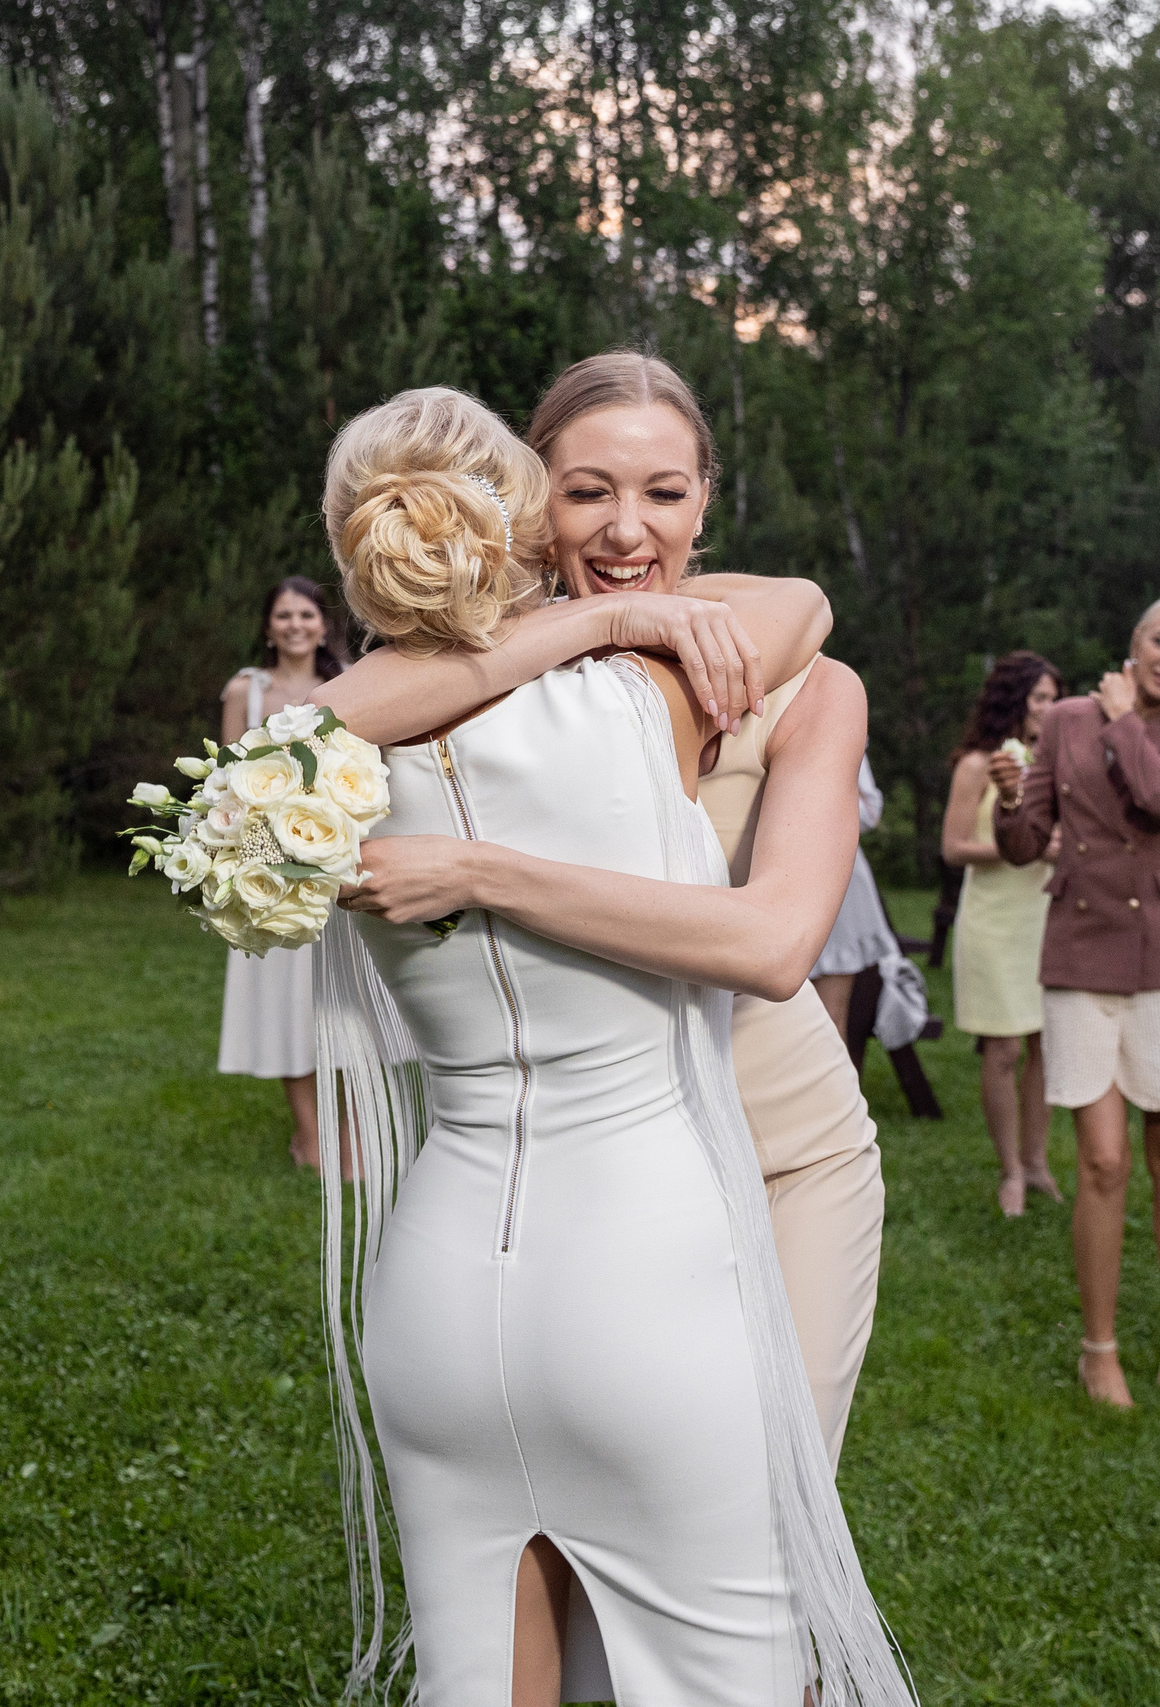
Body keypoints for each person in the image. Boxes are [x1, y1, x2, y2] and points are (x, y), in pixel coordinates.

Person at [311, 387, 910, 1706]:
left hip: (782, 1151)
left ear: (708, 504)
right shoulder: (465, 673)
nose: (629, 529)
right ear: (528, 506)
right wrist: (597, 622)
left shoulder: (802, 670)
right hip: (594, 1172)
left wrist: (485, 866)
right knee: (557, 1569)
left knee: (754, 1558)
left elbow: (770, 943)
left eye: (665, 492)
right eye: (588, 491)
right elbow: (315, 728)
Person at [993, 594, 1160, 1418]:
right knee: (1102, 1160)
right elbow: (1026, 842)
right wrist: (1008, 799)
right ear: (1133, 640)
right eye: (1159, 639)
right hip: (1080, 951)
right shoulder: (1065, 719)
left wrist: (1127, 717)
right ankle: (1098, 1352)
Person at [215, 576, 349, 1169]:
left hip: (335, 852)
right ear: (268, 626)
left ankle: (346, 1131)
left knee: (342, 996)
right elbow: (224, 779)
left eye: (306, 615)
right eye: (284, 615)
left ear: (323, 623)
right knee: (285, 995)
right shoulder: (246, 691)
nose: (296, 625)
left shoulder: (348, 681)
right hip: (268, 858)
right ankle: (308, 1137)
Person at [941, 649, 1066, 1217]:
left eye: (1054, 697)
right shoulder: (978, 764)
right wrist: (1020, 848)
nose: (1050, 707)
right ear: (1013, 700)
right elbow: (954, 847)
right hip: (994, 921)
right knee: (1004, 1048)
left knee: (1045, 1045)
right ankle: (1010, 1170)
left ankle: (1038, 1161)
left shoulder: (1055, 763)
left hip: (1046, 916)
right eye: (1041, 697)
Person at [809, 755, 900, 1047]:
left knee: (830, 1018)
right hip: (761, 870)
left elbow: (869, 811)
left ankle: (832, 1092)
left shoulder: (836, 716)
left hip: (836, 881)